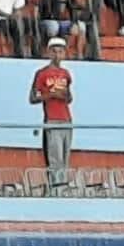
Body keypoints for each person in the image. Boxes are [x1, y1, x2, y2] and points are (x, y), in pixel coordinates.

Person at [29, 37, 73, 182]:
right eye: (54, 52)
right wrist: (51, 95)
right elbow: (32, 98)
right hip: (52, 119)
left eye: (60, 52)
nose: (57, 55)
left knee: (65, 158)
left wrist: (64, 95)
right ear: (49, 53)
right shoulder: (41, 73)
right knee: (55, 158)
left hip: (67, 120)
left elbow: (70, 97)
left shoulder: (66, 74)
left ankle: (63, 184)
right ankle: (55, 187)